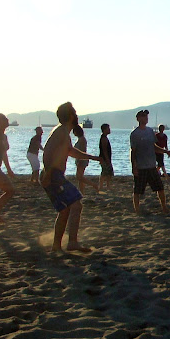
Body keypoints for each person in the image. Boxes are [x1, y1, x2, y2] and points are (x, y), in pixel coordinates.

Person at [41, 102, 102, 252]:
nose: (77, 116)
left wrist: (92, 157)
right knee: (75, 204)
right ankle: (71, 243)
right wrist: (48, 174)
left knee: (66, 210)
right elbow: (48, 155)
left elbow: (70, 151)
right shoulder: (61, 132)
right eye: (75, 114)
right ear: (70, 116)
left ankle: (58, 245)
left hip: (54, 174)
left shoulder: (62, 132)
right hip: (53, 175)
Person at [130, 110, 170, 214]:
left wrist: (165, 151)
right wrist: (134, 167)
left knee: (160, 188)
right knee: (137, 190)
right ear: (138, 119)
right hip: (141, 167)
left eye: (146, 117)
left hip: (151, 166)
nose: (146, 118)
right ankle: (137, 210)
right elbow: (133, 151)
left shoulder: (150, 131)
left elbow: (154, 146)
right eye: (143, 117)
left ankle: (164, 208)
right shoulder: (135, 134)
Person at [73, 125, 99, 193]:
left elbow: (83, 150)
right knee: (80, 177)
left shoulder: (82, 139)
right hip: (79, 159)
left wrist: (81, 160)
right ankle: (81, 191)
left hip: (82, 159)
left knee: (79, 176)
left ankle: (93, 185)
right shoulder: (80, 139)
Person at [98, 123, 114, 191]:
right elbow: (104, 150)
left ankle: (107, 186)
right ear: (104, 130)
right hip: (104, 159)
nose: (109, 129)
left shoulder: (104, 137)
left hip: (105, 158)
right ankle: (102, 186)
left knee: (107, 173)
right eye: (108, 128)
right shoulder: (104, 138)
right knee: (105, 172)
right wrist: (107, 160)